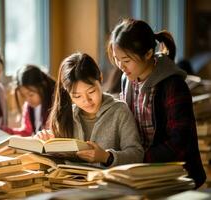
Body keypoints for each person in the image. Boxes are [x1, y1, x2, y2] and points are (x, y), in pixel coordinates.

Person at [107, 18, 206, 187]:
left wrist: (136, 158)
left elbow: (179, 145)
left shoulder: (173, 85)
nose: (121, 67)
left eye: (126, 60)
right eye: (117, 59)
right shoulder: (127, 79)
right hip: (140, 172)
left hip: (177, 177)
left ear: (148, 54)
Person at [35, 52, 144, 167]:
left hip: (108, 182)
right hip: (72, 181)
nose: (86, 101)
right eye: (77, 96)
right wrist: (49, 144)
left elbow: (137, 154)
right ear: (68, 94)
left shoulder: (120, 111)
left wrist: (106, 157)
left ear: (100, 78)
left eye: (91, 92)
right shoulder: (67, 115)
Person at [1, 65, 55, 136]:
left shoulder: (56, 104)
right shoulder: (28, 107)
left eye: (31, 95)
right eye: (23, 96)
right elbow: (27, 131)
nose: (27, 100)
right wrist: (5, 131)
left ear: (42, 86)